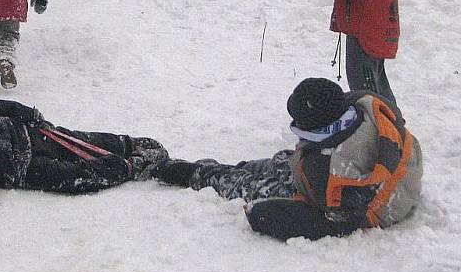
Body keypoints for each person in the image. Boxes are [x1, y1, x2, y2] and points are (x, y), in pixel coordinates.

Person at [156, 78, 422, 241]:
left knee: (255, 187)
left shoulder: (331, 177)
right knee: (282, 161)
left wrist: (265, 215)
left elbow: (334, 222)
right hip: (386, 174)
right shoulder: (364, 109)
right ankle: (223, 171)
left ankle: (199, 175)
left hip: (353, 196)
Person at [0, 75, 169, 211]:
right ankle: (128, 167)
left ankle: (125, 144)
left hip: (20, 134)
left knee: (73, 139)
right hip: (17, 170)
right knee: (72, 177)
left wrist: (23, 113)